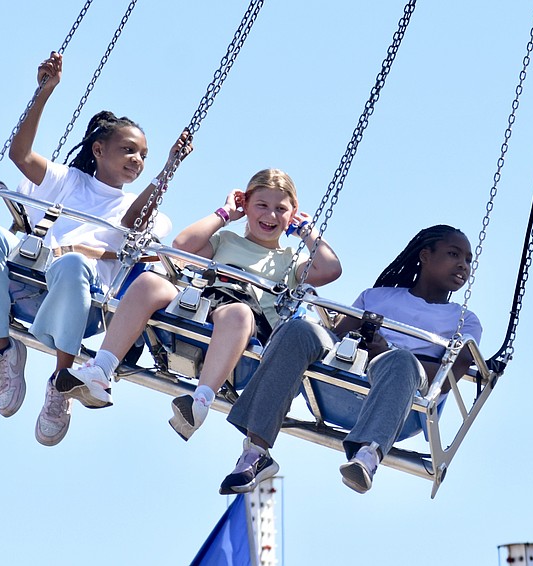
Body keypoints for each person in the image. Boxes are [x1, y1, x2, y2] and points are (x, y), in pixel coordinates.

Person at [0, 51, 192, 447]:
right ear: (99, 150)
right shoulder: (69, 182)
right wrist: (44, 92)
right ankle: (4, 351)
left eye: (144, 156)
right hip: (30, 286)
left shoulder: (149, 212)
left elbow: (134, 221)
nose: (138, 161)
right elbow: (20, 156)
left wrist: (167, 170)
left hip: (78, 305)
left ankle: (62, 381)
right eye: (129, 150)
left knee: (71, 265)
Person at [54, 168, 343, 443]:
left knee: (238, 313)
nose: (270, 215)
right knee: (149, 282)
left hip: (245, 322)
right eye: (261, 205)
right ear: (246, 205)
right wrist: (225, 213)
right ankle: (101, 371)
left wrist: (307, 231)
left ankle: (199, 401)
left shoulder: (291, 260)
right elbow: (181, 247)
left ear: (292, 213)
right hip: (205, 304)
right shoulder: (224, 240)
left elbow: (331, 269)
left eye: (281, 209)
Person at [218, 224, 483, 495]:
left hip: (403, 405)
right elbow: (335, 338)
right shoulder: (377, 297)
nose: (463, 265)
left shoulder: (464, 321)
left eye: (468, 260)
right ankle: (256, 452)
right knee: (299, 330)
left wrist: (385, 352)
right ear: (425, 256)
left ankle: (367, 457)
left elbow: (448, 377)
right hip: (344, 382)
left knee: (400, 360)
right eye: (454, 254)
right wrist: (365, 346)